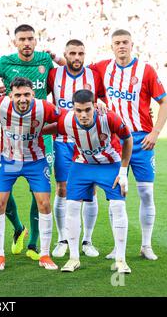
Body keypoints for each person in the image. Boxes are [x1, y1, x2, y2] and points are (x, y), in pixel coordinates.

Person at [0, 24, 64, 261]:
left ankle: (34, 244)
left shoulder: (45, 61)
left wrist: (57, 57)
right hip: (12, 138)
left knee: (39, 193)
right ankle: (18, 227)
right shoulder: (5, 62)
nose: (26, 43)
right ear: (15, 42)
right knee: (2, 194)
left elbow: (68, 75)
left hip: (40, 137)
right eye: (22, 39)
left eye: (30, 39)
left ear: (36, 41)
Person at [88, 29, 167, 260]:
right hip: (114, 142)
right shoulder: (102, 67)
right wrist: (97, 100)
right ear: (111, 46)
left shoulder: (146, 70)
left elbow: (164, 103)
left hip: (143, 140)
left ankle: (146, 245)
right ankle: (118, 247)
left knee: (146, 193)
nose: (121, 46)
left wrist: (155, 132)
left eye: (125, 42)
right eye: (117, 43)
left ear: (132, 44)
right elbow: (77, 70)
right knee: (116, 196)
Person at [56, 89, 133, 274]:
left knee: (118, 207)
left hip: (110, 164)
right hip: (82, 164)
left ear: (95, 107)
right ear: (73, 109)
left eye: (88, 110)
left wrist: (123, 171)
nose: (83, 115)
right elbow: (52, 128)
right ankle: (73, 258)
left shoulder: (109, 117)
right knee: (72, 206)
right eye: (79, 110)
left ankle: (120, 259)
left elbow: (128, 139)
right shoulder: (66, 120)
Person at [0, 77, 60, 271]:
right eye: (17, 95)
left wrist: (46, 129)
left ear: (33, 94)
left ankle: (44, 254)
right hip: (8, 160)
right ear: (10, 95)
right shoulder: (0, 104)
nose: (22, 99)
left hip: (35, 161)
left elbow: (65, 119)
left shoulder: (44, 107)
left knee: (44, 204)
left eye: (26, 94)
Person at [46, 39, 105, 258]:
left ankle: (87, 240)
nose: (77, 57)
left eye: (81, 53)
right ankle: (62, 239)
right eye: (72, 53)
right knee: (62, 189)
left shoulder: (94, 75)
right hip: (62, 140)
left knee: (90, 190)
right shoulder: (54, 75)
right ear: (65, 54)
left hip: (89, 140)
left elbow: (105, 102)